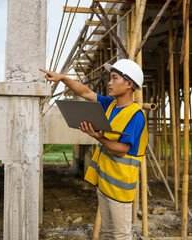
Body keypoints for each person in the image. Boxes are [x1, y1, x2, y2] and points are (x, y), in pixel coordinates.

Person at [41, 59, 148, 240]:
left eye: (114, 78)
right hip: (105, 184)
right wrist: (62, 79)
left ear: (129, 84)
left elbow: (122, 149)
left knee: (121, 235)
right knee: (107, 234)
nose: (110, 82)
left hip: (120, 189)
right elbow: (86, 92)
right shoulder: (111, 105)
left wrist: (99, 138)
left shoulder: (135, 115)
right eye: (110, 78)